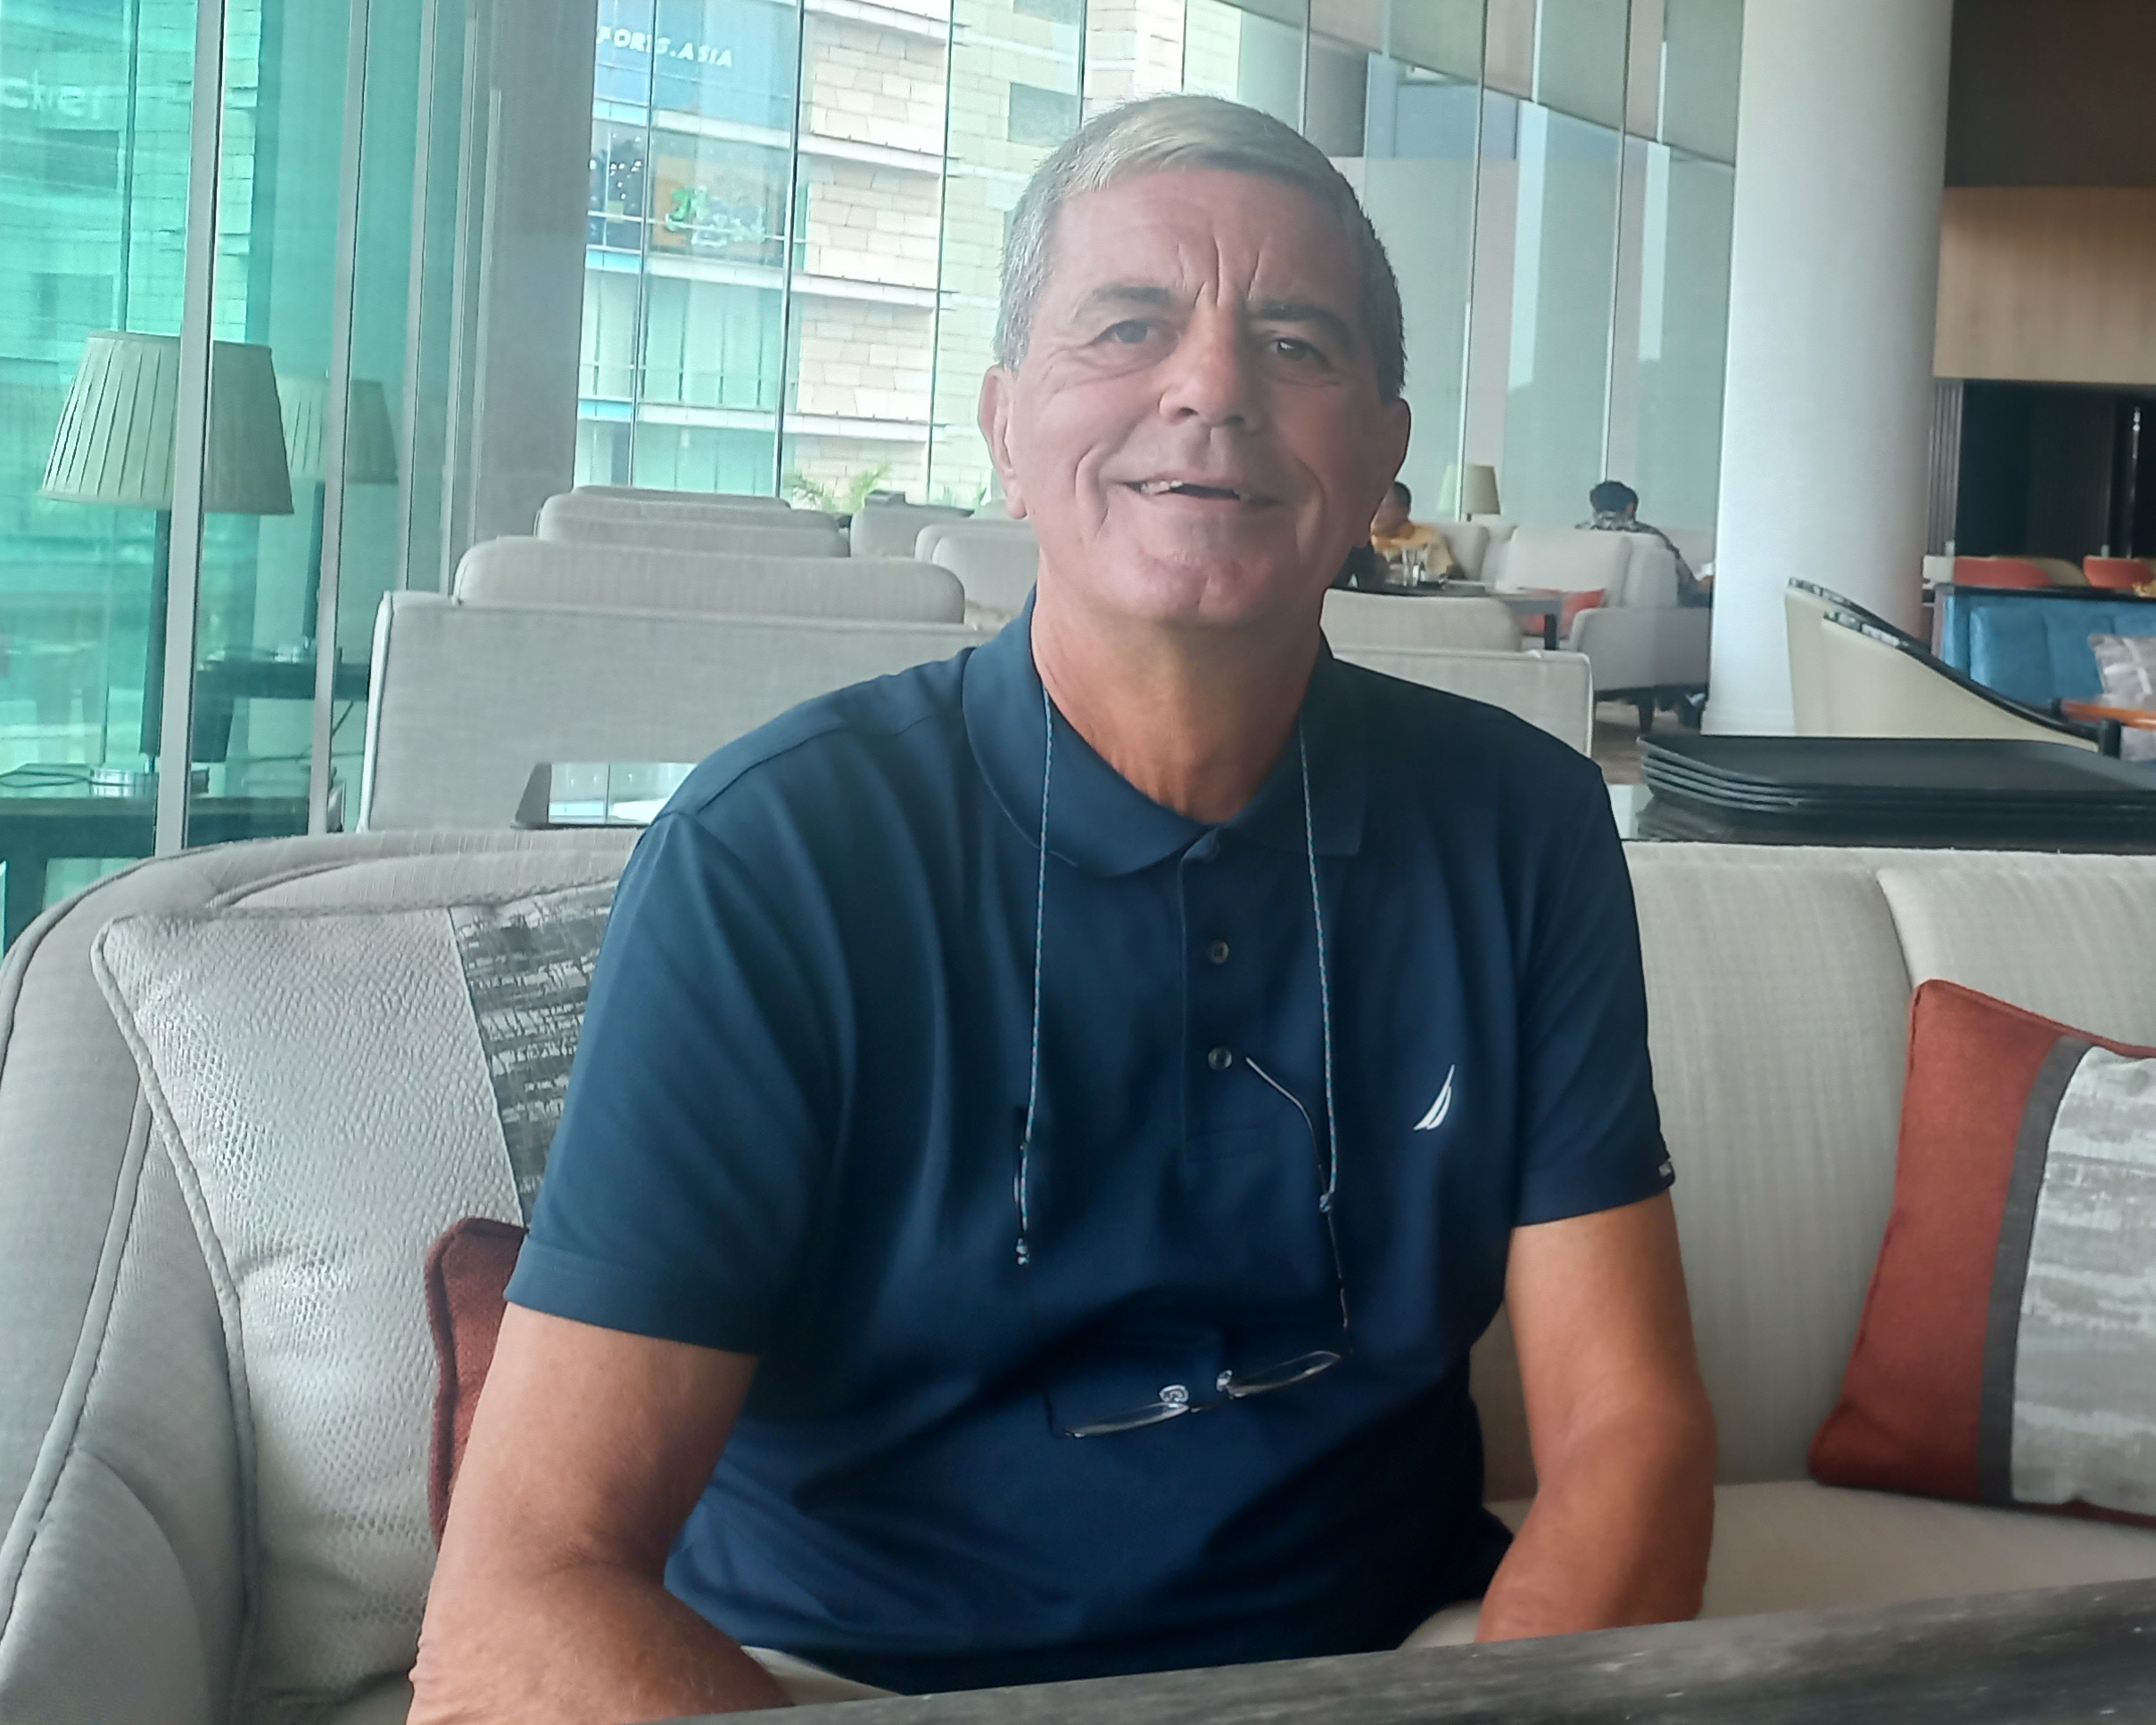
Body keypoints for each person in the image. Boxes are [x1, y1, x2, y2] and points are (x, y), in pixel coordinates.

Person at [413, 96, 1714, 1718]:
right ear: (1007, 425)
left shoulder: (1519, 824)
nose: (1213, 388)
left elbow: (1629, 1430)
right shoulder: (778, 855)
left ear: (1382, 457)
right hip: (843, 1684)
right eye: (1129, 327)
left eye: (1294, 343)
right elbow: (523, 1589)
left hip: (1385, 1669)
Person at [1582, 479, 1709, 607]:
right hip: (1653, 612)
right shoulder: (1651, 538)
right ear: (1630, 507)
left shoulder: (1579, 535)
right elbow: (1687, 582)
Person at [1365, 479, 1459, 583]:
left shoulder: (1427, 540)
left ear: (1405, 510)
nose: (1374, 509)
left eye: (1382, 503)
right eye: (1370, 503)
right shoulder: (1362, 542)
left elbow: (1440, 578)